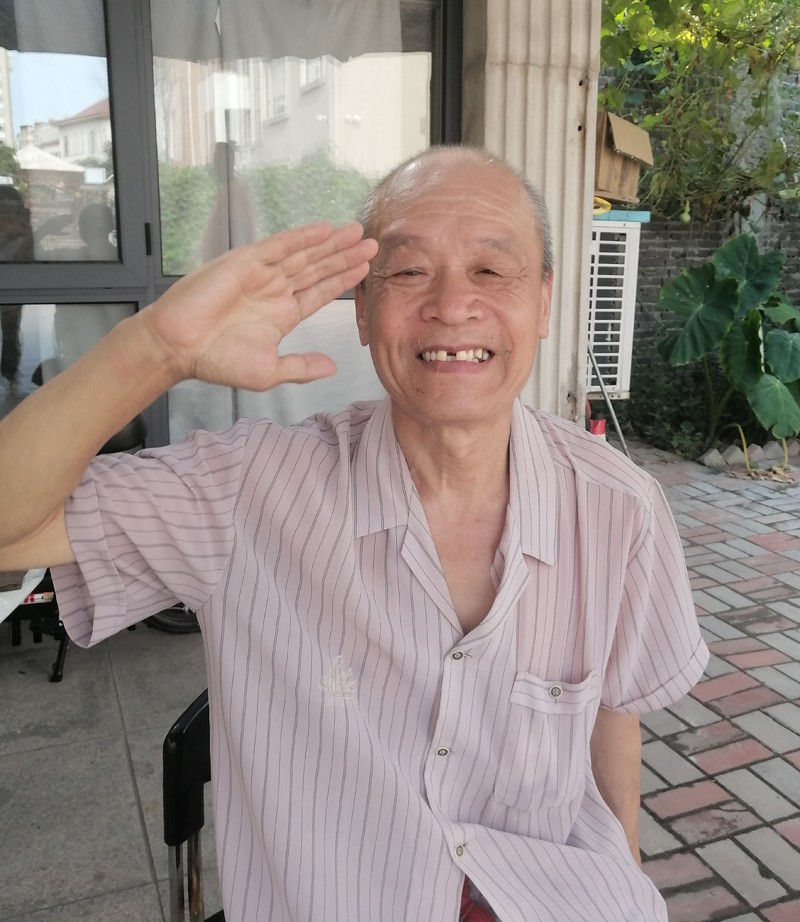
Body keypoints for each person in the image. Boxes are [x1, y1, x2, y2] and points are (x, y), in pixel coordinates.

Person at [0, 146, 708, 922]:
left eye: (489, 270)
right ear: (364, 310)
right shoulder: (247, 492)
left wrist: (625, 878)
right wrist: (158, 350)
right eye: (408, 272)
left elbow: (612, 715)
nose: (451, 305)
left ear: (542, 303)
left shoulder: (618, 507)